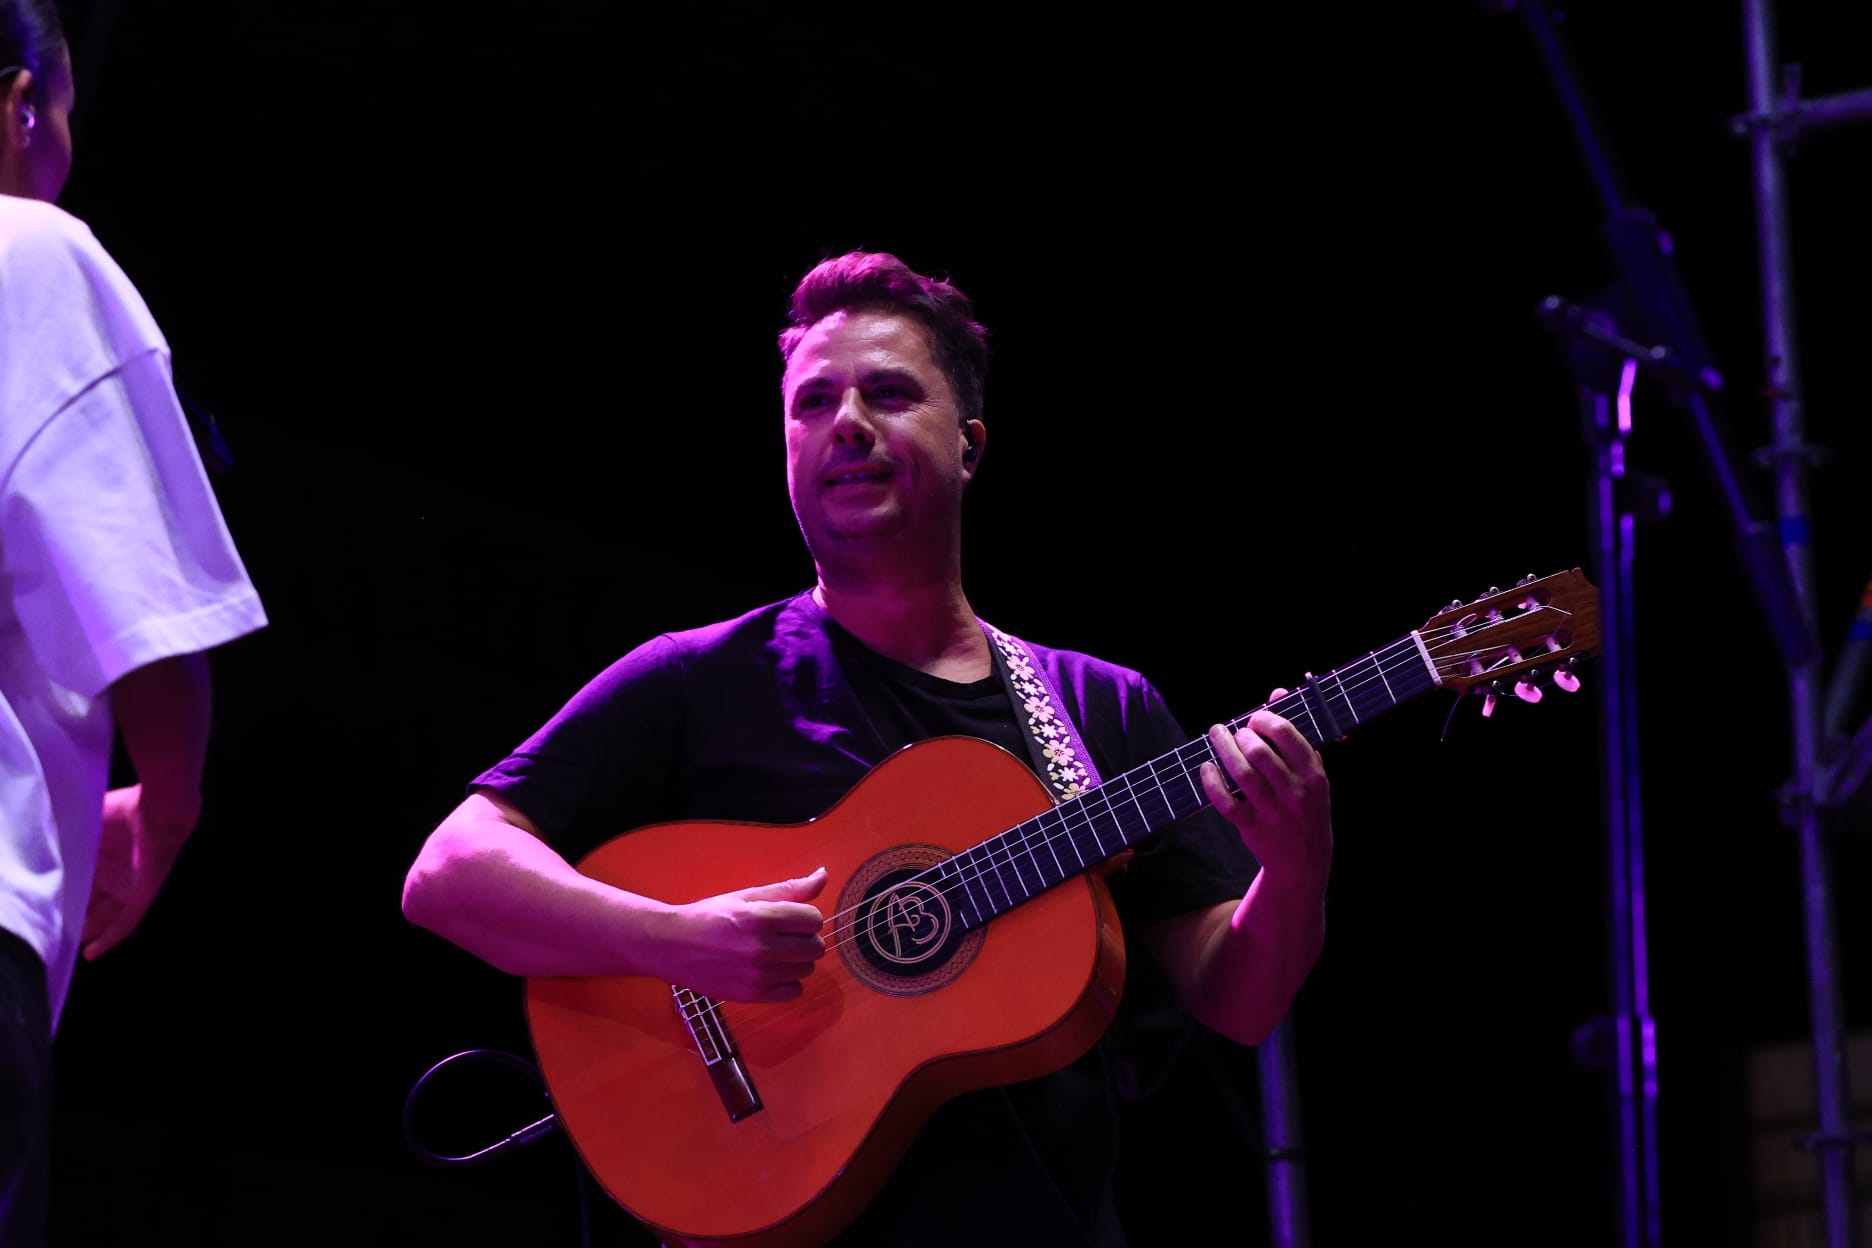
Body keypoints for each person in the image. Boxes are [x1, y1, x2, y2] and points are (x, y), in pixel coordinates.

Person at [401, 249, 1334, 1246]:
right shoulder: (694, 678)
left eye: (889, 393)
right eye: (812, 404)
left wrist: (1298, 858)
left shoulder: (1097, 707)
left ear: (970, 445)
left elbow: (1236, 998)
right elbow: (451, 871)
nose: (846, 424)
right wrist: (672, 940)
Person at [0, 2, 269, 1242]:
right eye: (62, 114)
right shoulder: (28, 250)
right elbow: (147, 624)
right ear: (20, 106)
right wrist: (167, 805)